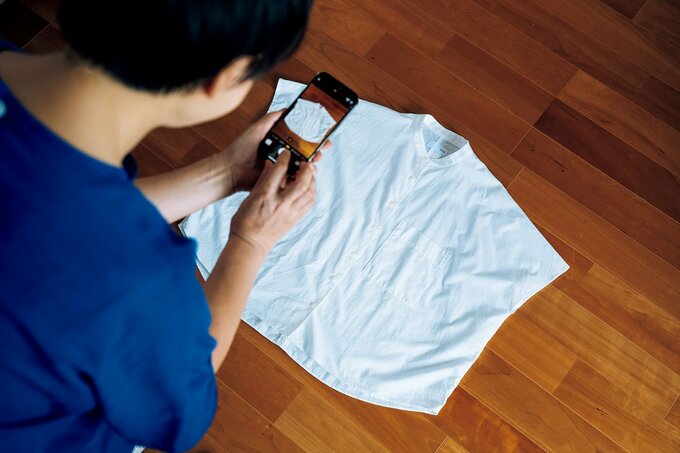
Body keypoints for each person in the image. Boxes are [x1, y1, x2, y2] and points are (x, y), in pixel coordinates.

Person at [0, 0, 324, 451]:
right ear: (225, 76)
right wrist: (251, 240)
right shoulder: (135, 279)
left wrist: (224, 173)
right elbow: (179, 408)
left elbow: (52, 213)